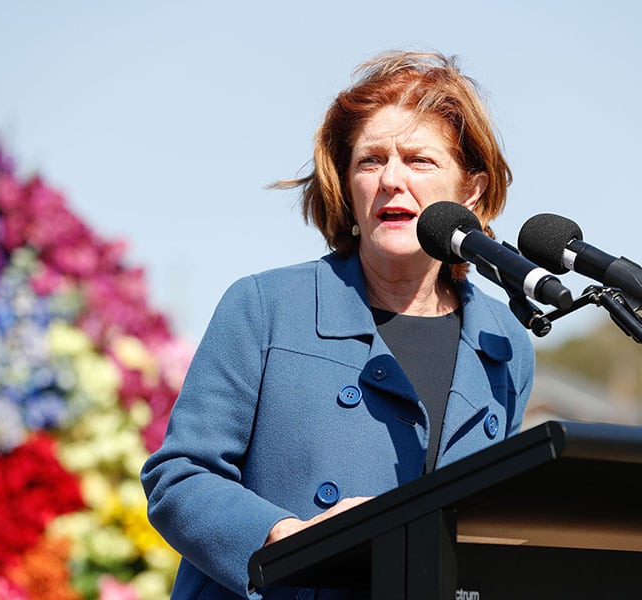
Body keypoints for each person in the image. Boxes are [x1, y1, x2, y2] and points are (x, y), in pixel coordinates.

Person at [141, 50, 535, 600]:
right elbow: (179, 476)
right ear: (347, 186)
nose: (391, 179)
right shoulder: (265, 306)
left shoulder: (505, 342)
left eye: (419, 160)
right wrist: (289, 541)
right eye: (370, 161)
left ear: (470, 190)